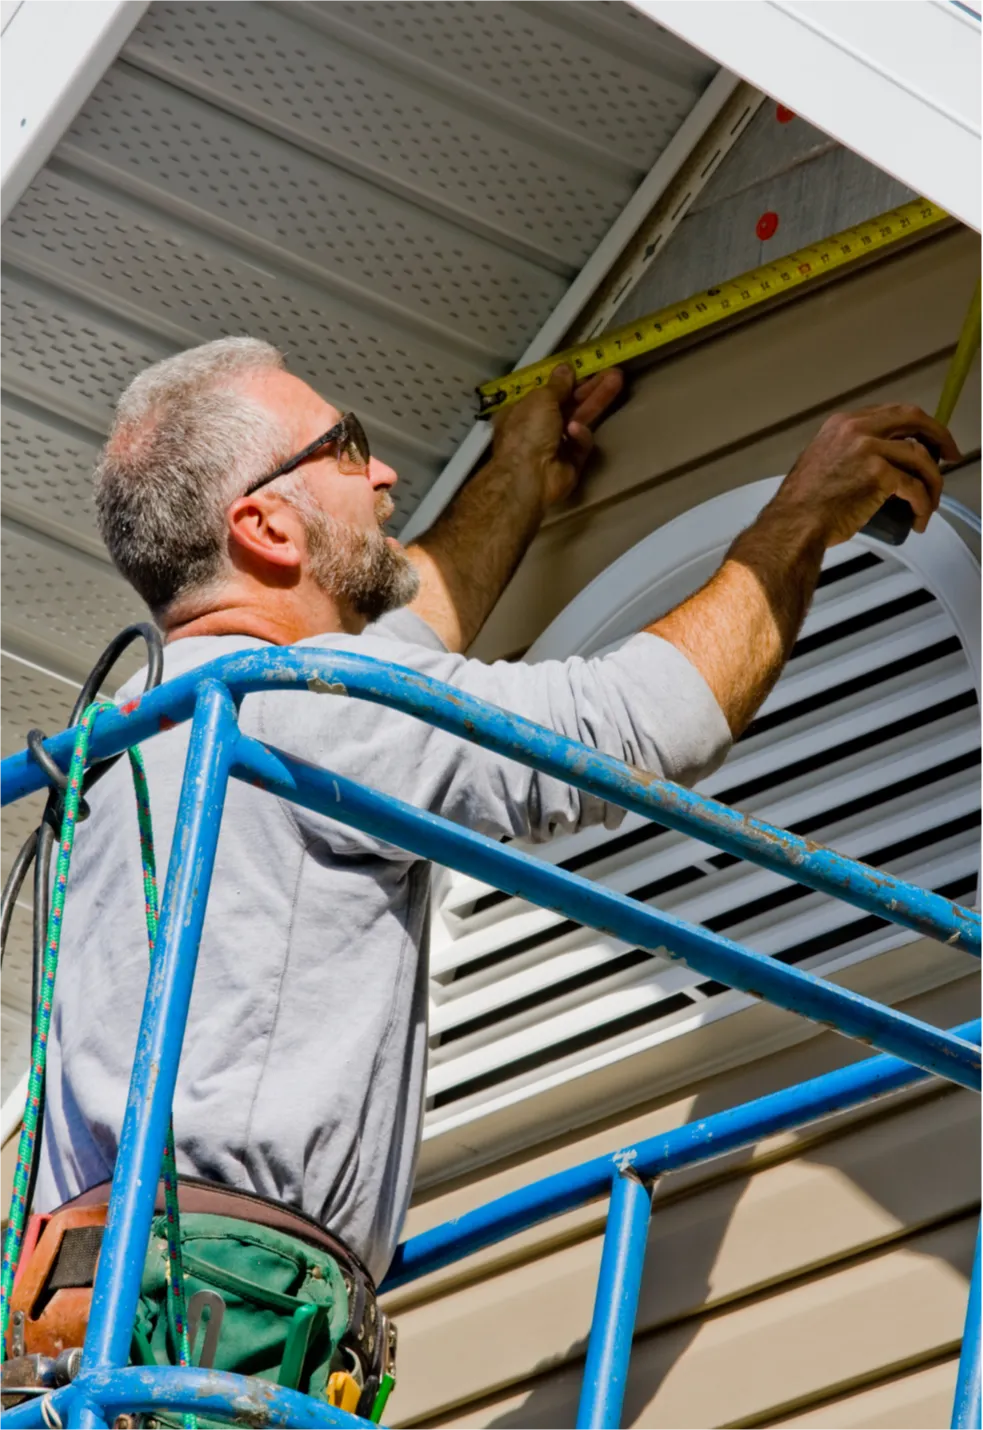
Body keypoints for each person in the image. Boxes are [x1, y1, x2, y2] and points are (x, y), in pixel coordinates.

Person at [30, 337, 956, 1405]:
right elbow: (640, 725)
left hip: (105, 1314)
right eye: (346, 448)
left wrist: (516, 475)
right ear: (267, 526)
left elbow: (400, 639)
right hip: (221, 1312)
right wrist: (802, 512)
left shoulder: (146, 732)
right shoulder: (299, 704)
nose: (383, 473)